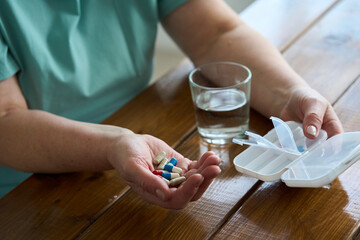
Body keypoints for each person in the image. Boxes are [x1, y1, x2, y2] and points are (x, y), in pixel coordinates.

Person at [0, 0, 342, 208]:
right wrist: (116, 144)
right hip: (27, 187)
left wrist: (290, 93)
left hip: (139, 122)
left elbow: (215, 33)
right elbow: (6, 121)